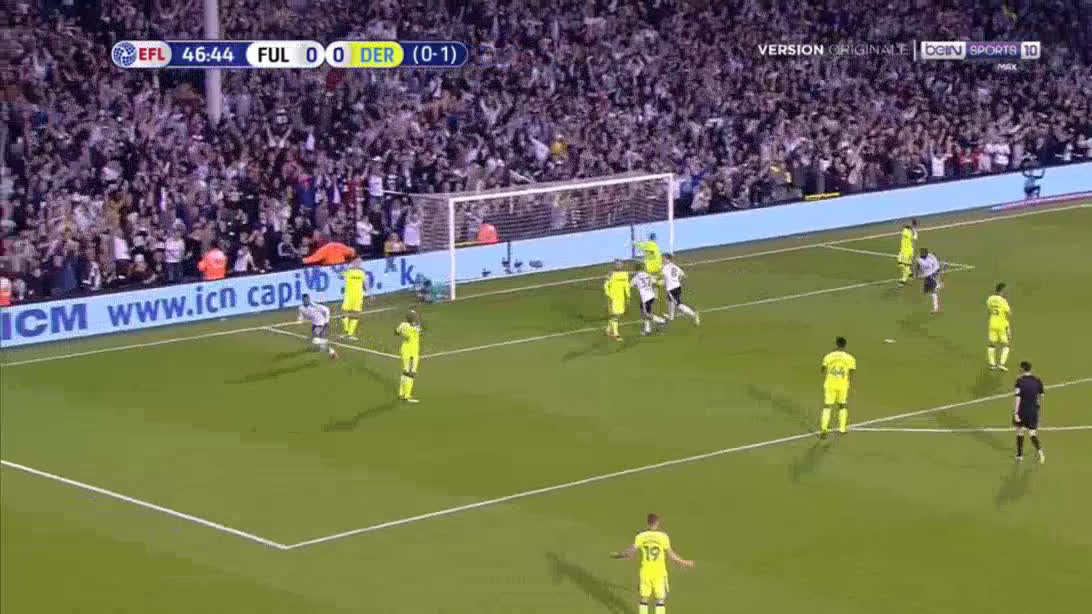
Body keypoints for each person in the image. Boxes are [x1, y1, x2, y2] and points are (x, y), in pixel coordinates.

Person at [609, 513, 694, 614]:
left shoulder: (641, 536)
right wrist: (684, 562)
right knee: (660, 600)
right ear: (657, 522)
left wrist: (619, 555)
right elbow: (671, 555)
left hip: (645, 572)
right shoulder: (663, 536)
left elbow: (630, 552)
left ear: (648, 522)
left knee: (644, 598)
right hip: (659, 573)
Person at [820, 336, 857, 437]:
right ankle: (842, 429)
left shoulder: (828, 356)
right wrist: (851, 384)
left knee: (827, 406)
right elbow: (851, 372)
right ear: (845, 345)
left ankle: (824, 429)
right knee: (842, 405)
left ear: (836, 344)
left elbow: (822, 369)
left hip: (830, 384)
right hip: (843, 385)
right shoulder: (850, 358)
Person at [1013, 361, 1045, 463]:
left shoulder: (1019, 381)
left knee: (1020, 432)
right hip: (1033, 411)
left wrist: (1016, 413)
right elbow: (1041, 395)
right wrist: (1037, 406)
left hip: (1022, 410)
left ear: (1022, 369)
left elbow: (1017, 398)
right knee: (1032, 434)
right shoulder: (1037, 381)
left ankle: (1019, 455)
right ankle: (1040, 452)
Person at [661, 254, 699, 325]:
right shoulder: (675, 266)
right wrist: (676, 280)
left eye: (664, 259)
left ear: (668, 259)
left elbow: (661, 276)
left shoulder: (664, 268)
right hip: (678, 287)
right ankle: (671, 317)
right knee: (670, 301)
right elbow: (684, 276)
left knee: (678, 305)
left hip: (671, 289)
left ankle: (694, 314)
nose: (662, 260)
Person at [298, 294, 337, 359]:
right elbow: (301, 316)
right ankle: (332, 352)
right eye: (305, 299)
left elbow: (327, 310)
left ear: (309, 299)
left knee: (315, 340)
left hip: (320, 324)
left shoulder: (316, 306)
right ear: (303, 300)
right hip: (314, 325)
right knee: (321, 345)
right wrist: (300, 320)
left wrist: (326, 321)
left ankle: (327, 342)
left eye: (307, 299)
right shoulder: (301, 308)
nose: (306, 300)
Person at [631, 262, 665, 335]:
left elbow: (630, 285)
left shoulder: (635, 278)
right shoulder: (648, 275)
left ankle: (661, 321)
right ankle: (647, 330)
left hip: (644, 298)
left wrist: (637, 286)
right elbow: (656, 282)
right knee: (647, 312)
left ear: (636, 269)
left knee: (645, 314)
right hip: (651, 296)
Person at [395, 309, 422, 403]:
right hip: (412, 352)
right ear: (414, 318)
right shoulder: (416, 328)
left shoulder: (402, 325)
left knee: (405, 371)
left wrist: (403, 333)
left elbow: (396, 332)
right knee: (411, 373)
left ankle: (401, 393)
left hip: (404, 350)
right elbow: (419, 331)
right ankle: (407, 396)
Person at [987, 283, 1013, 371]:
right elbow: (1009, 313)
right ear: (1002, 291)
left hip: (992, 324)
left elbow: (989, 310)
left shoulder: (990, 299)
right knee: (1006, 345)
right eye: (1005, 291)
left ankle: (992, 364)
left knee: (991, 344)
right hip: (1002, 325)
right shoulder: (1003, 301)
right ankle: (1001, 364)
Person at [603, 259, 630, 341]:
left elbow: (626, 285)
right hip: (613, 298)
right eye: (617, 264)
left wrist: (628, 295)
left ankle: (608, 329)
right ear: (615, 265)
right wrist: (608, 295)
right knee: (615, 315)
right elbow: (606, 285)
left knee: (619, 314)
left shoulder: (625, 274)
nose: (619, 266)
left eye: (620, 264)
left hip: (621, 298)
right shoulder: (611, 274)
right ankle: (616, 334)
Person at [340, 258, 367, 340]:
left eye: (360, 262)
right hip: (349, 295)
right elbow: (340, 276)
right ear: (352, 262)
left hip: (358, 296)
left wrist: (369, 293)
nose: (358, 263)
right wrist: (345, 270)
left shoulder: (362, 272)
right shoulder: (348, 271)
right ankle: (346, 330)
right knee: (344, 312)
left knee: (356, 314)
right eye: (357, 262)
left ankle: (350, 334)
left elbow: (365, 285)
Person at [916, 247, 943, 313]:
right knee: (926, 292)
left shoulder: (925, 260)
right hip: (929, 275)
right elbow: (918, 266)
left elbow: (923, 266)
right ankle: (938, 285)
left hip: (931, 274)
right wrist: (917, 273)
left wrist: (919, 274)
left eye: (923, 254)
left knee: (932, 291)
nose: (922, 255)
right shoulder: (928, 256)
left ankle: (936, 308)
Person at [896, 219, 918, 287]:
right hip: (902, 251)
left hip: (908, 252)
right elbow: (905, 226)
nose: (908, 223)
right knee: (900, 264)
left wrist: (914, 230)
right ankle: (910, 274)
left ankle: (903, 281)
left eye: (910, 223)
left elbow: (915, 238)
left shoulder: (909, 232)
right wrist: (913, 228)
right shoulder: (905, 230)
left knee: (906, 266)